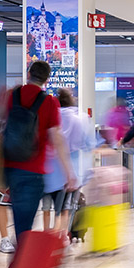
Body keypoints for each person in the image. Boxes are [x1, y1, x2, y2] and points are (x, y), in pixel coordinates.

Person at [1, 60, 77, 254]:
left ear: (28, 74)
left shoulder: (12, 96)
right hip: (33, 171)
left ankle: (20, 261)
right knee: (25, 228)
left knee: (21, 224)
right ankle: (21, 266)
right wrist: (69, 172)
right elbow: (57, 139)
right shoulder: (49, 102)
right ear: (47, 80)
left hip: (10, 169)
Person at [41, 89, 96, 238]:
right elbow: (88, 144)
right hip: (72, 170)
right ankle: (62, 236)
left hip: (49, 170)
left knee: (47, 207)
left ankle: (46, 235)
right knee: (66, 208)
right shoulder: (79, 119)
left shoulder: (50, 117)